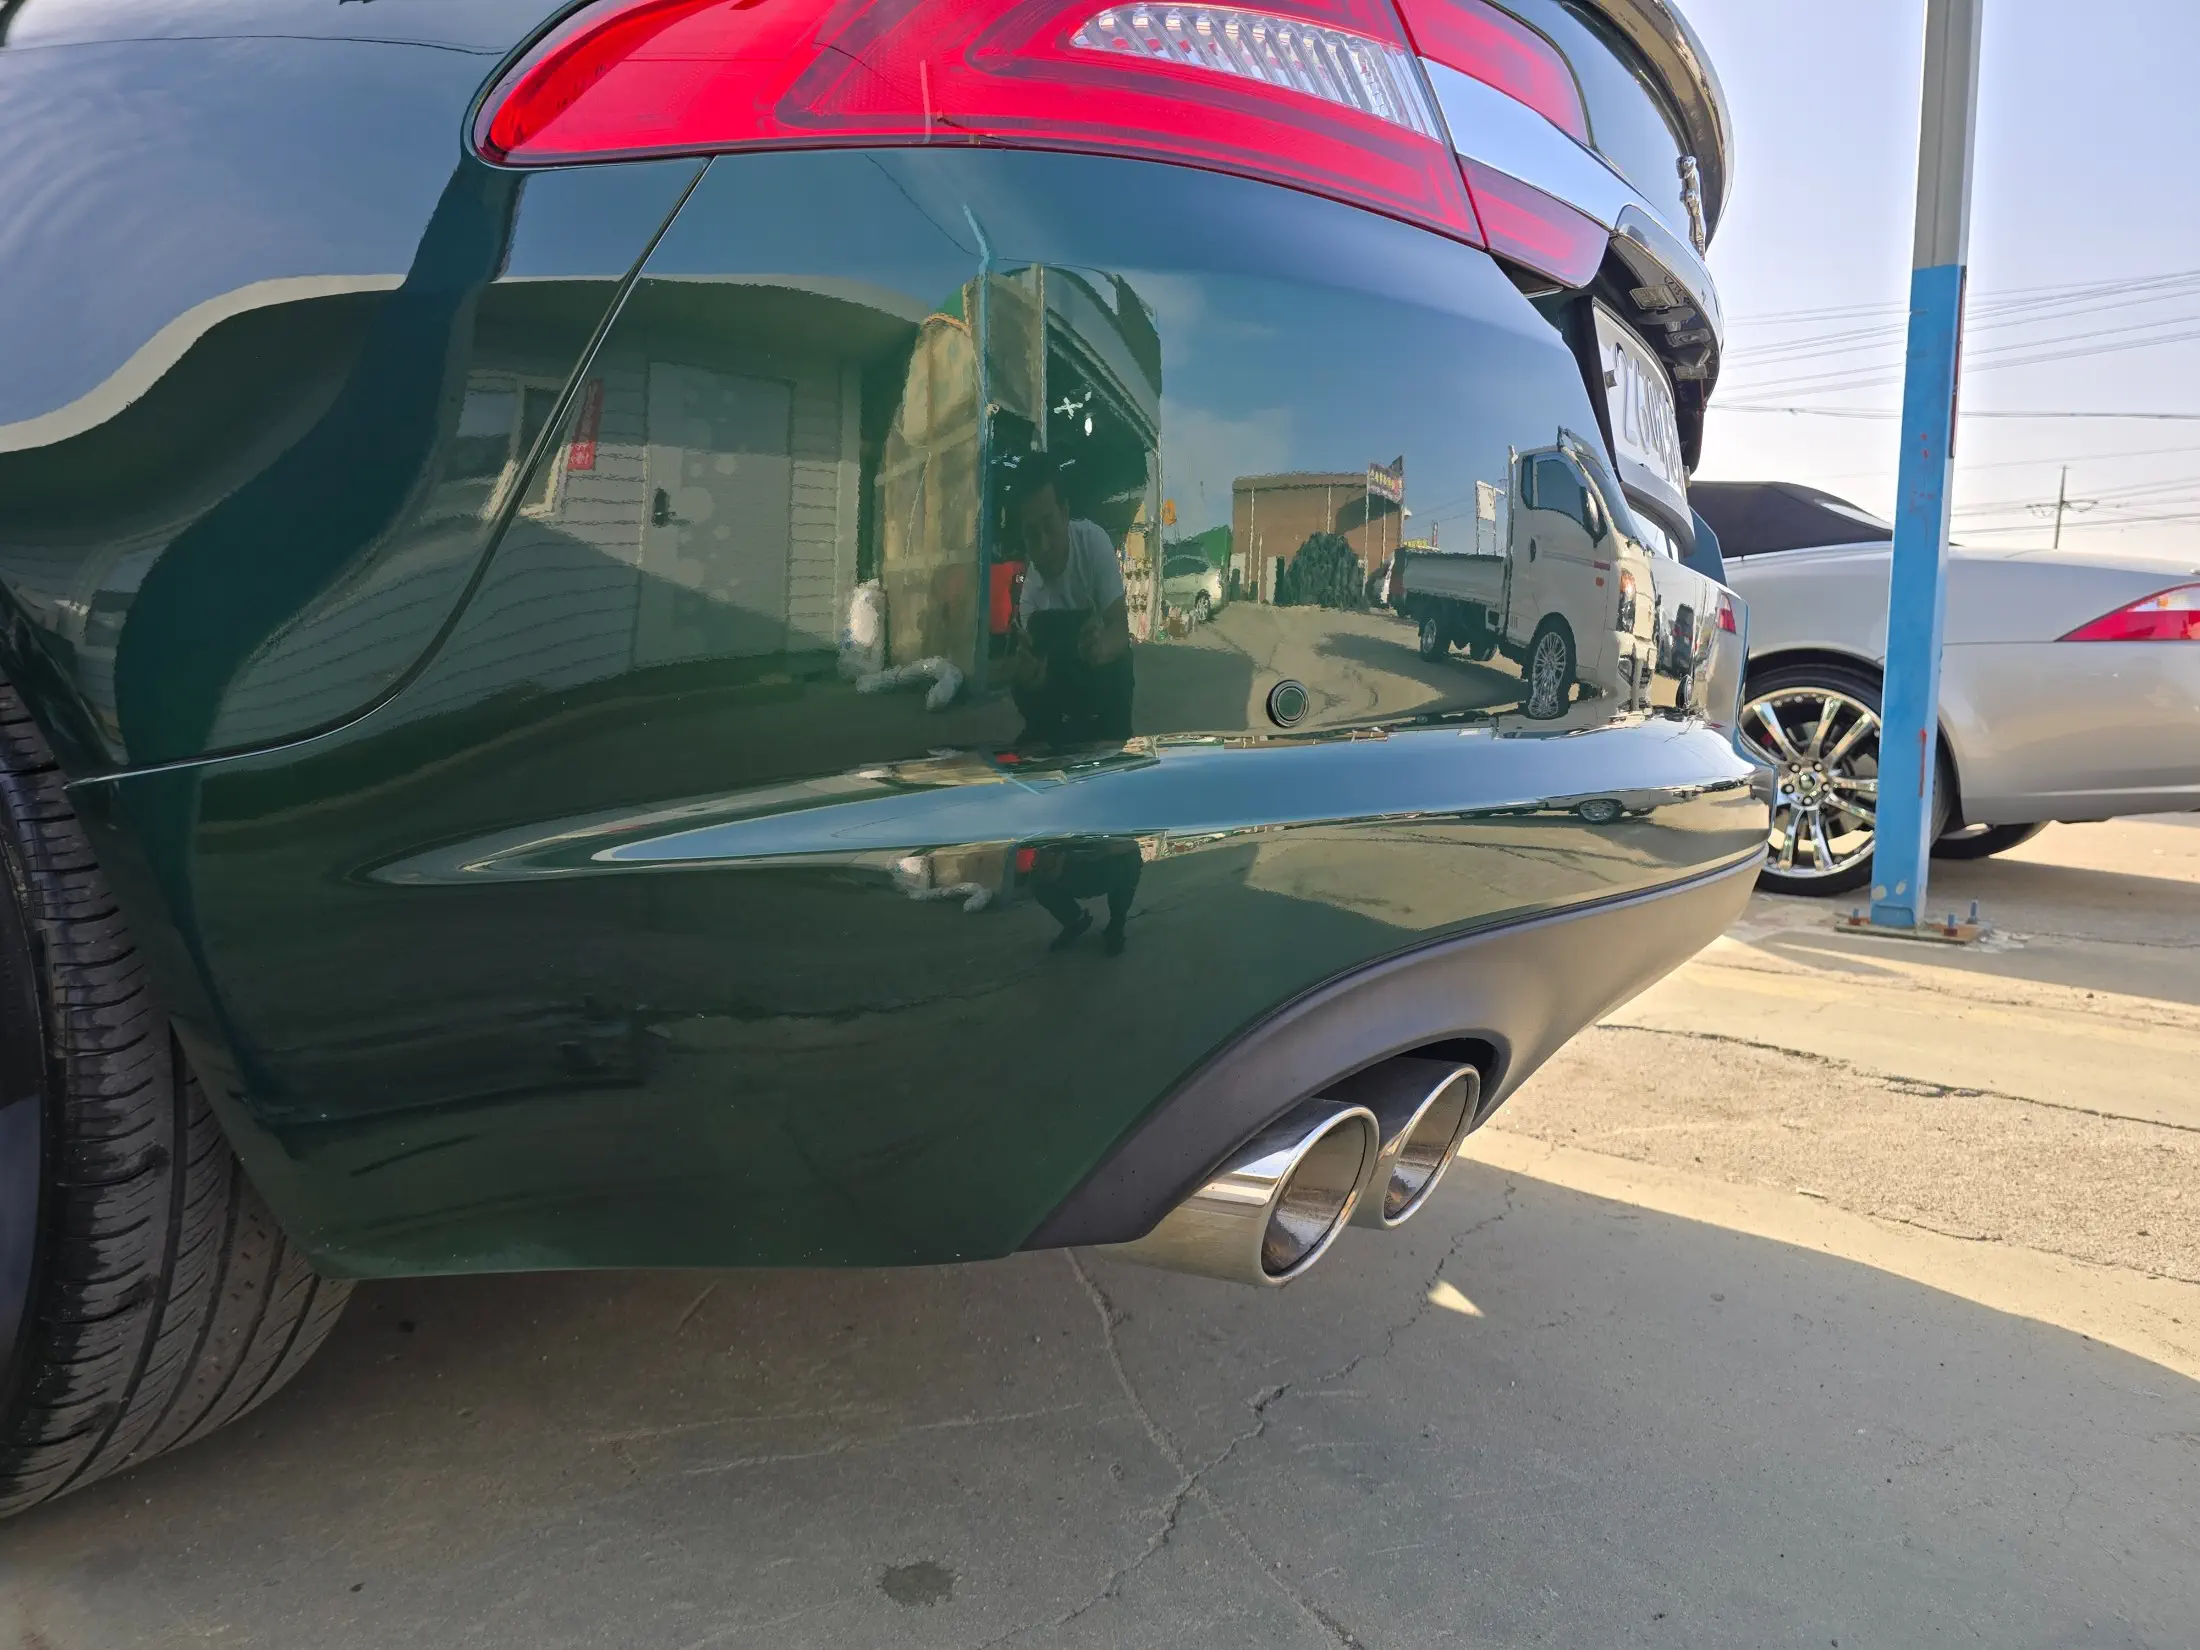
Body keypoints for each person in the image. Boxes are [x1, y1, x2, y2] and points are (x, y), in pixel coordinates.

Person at [1006, 454, 1133, 746]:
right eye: (1032, 534)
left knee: (1121, 663)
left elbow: (1120, 628)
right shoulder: (1031, 593)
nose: (1044, 545)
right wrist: (1029, 678)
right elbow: (1033, 687)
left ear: (1064, 514)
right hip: (1058, 701)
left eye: (1049, 525)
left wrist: (1103, 647)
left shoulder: (1093, 544)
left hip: (1104, 692)